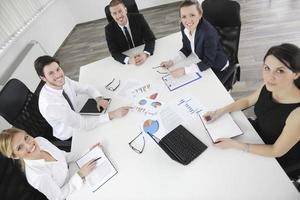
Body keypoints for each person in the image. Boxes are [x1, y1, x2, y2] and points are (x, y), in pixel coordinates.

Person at [203, 43, 300, 178]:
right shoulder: (269, 85)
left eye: (280, 71)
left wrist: (237, 145)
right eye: (267, 68)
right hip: (256, 135)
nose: (270, 76)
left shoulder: (297, 113)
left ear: (295, 74)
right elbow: (248, 101)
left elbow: (276, 150)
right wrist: (220, 111)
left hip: (275, 156)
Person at [34, 55, 130, 141]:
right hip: (72, 134)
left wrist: (98, 98)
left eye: (58, 69)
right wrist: (112, 114)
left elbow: (86, 88)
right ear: (43, 78)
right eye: (51, 73)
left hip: (80, 117)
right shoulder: (50, 104)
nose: (58, 75)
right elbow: (84, 125)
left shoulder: (63, 80)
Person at [0, 128, 99, 200]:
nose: (28, 145)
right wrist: (80, 175)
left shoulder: (40, 141)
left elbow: (63, 156)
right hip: (72, 192)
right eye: (19, 147)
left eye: (26, 137)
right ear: (15, 156)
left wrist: (87, 151)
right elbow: (58, 197)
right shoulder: (37, 176)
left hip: (75, 172)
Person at [160, 0, 229, 81]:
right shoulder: (184, 26)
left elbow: (208, 62)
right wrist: (171, 62)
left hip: (217, 67)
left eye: (192, 15)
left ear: (200, 14)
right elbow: (186, 48)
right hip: (200, 61)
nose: (188, 20)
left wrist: (184, 71)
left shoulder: (208, 33)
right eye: (184, 16)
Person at [105, 0, 156, 65]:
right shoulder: (109, 29)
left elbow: (150, 39)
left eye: (120, 11)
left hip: (140, 51)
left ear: (125, 10)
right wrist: (128, 60)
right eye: (114, 13)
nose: (119, 16)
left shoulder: (139, 18)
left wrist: (145, 54)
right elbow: (114, 52)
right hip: (127, 58)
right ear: (111, 15)